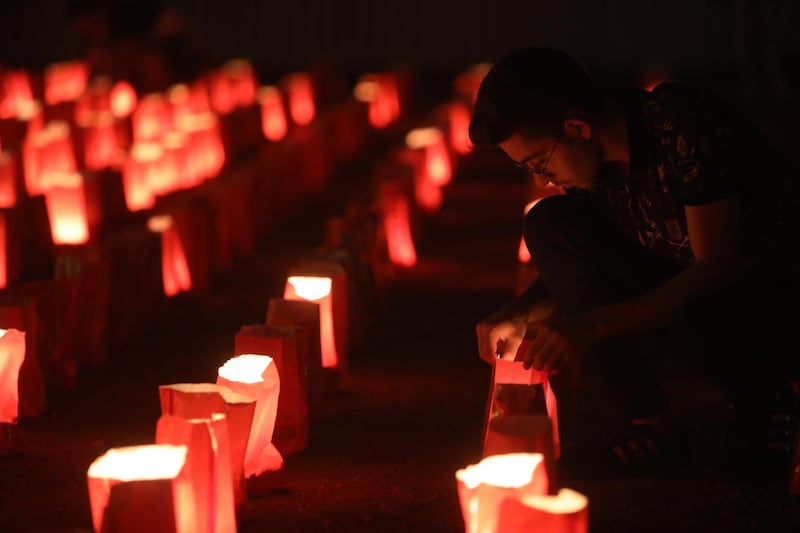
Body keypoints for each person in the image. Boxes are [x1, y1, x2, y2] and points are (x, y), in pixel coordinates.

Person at [469, 46, 800, 480]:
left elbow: (716, 266)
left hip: (768, 298)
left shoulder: (682, 126)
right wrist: (518, 313)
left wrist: (593, 326)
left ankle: (766, 402)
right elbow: (580, 265)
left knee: (743, 460)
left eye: (540, 163)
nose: (543, 178)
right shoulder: (594, 168)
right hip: (690, 295)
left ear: (577, 127)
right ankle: (652, 426)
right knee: (550, 224)